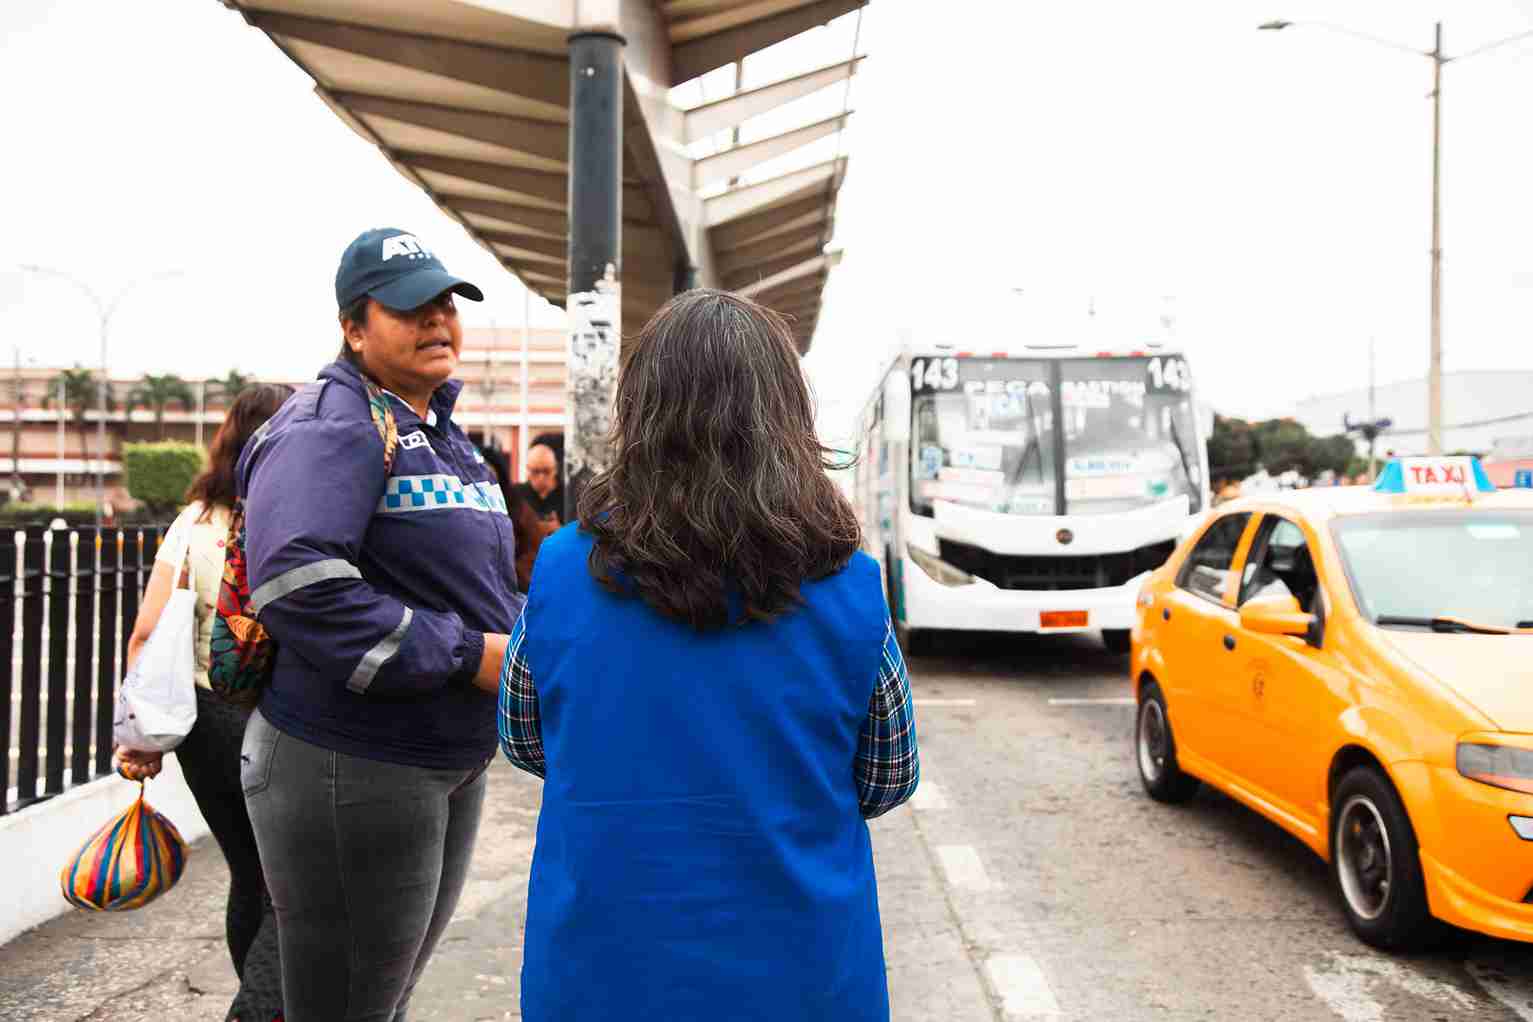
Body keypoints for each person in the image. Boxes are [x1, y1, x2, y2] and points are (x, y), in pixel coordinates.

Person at [498, 289, 920, 1021]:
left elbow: (526, 740)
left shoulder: (562, 571)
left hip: (600, 977)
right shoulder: (851, 585)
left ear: (641, 415)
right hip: (803, 981)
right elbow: (887, 775)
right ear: (787, 419)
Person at [236, 228, 524, 1022]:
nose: (436, 322)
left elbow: (471, 583)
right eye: (409, 309)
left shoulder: (434, 427)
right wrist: (471, 655)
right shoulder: (333, 425)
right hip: (353, 764)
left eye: (444, 304)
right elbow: (301, 587)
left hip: (438, 760)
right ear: (354, 327)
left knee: (380, 1001)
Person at [116, 382, 295, 1022]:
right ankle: (257, 1011)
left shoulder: (191, 522)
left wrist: (140, 735)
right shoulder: (299, 517)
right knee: (291, 887)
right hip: (278, 720)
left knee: (249, 872)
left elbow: (146, 634)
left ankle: (261, 999)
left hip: (203, 721)